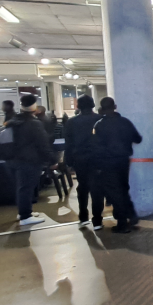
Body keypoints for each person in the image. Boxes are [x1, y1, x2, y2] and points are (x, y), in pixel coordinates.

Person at [92, 97, 142, 233]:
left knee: (115, 192)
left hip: (107, 163)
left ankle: (122, 224)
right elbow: (138, 139)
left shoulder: (99, 125)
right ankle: (131, 214)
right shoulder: (125, 122)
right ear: (115, 106)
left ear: (101, 109)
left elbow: (95, 147)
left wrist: (97, 165)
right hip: (124, 161)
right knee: (123, 188)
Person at [6, 95, 57, 226]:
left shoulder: (13, 121)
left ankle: (23, 211)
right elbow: (43, 145)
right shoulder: (34, 124)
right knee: (26, 188)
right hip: (29, 161)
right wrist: (52, 161)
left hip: (12, 160)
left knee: (21, 188)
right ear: (34, 108)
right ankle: (25, 216)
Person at [65, 95, 105, 230]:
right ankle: (97, 220)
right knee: (97, 189)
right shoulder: (100, 119)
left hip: (79, 159)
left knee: (82, 187)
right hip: (97, 159)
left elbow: (68, 144)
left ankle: (83, 216)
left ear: (78, 106)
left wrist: (68, 162)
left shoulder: (71, 122)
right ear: (93, 105)